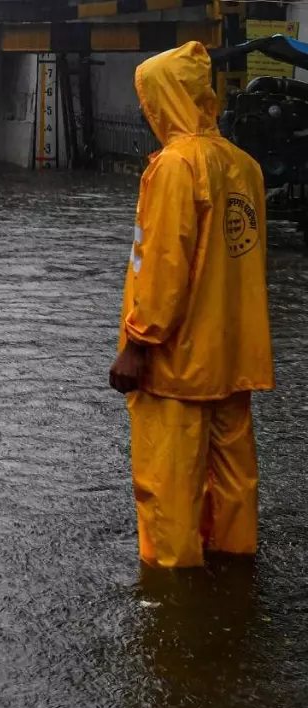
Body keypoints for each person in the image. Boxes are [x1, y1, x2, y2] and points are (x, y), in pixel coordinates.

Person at [108, 41, 272, 569]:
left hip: (178, 362)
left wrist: (138, 342)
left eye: (149, 99)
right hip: (233, 354)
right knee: (231, 477)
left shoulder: (175, 167)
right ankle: (232, 567)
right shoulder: (244, 167)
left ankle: (173, 583)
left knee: (169, 481)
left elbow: (162, 265)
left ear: (168, 99)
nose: (144, 110)